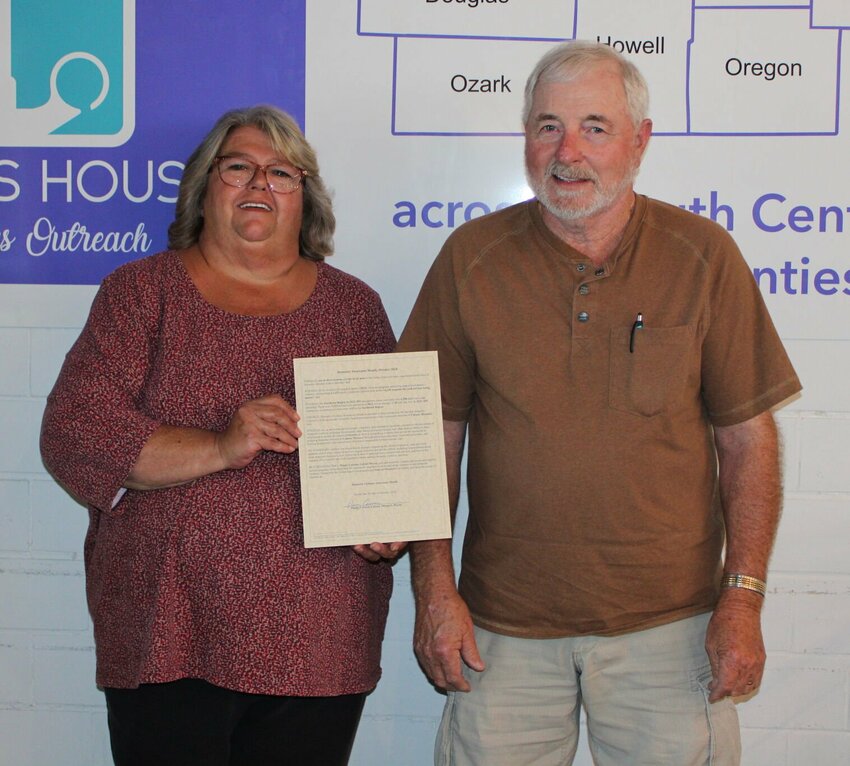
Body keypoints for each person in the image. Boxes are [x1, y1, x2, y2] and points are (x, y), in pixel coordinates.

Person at [397, 41, 801, 765]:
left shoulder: (704, 256)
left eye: (595, 126)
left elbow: (748, 439)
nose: (567, 151)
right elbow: (431, 436)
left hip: (672, 632)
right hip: (501, 632)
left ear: (640, 140)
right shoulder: (470, 258)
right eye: (547, 125)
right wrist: (435, 591)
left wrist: (742, 598)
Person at [40, 105, 403, 766]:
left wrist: (387, 523)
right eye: (237, 167)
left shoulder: (355, 310)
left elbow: (388, 457)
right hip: (167, 631)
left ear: (307, 197)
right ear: (205, 187)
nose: (258, 183)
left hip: (317, 641)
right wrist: (219, 446)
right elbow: (75, 434)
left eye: (281, 172)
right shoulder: (141, 294)